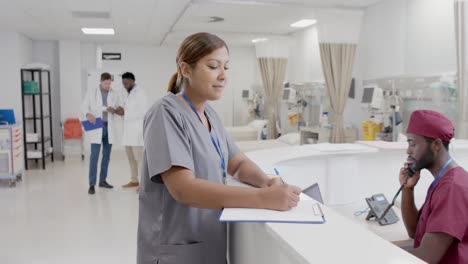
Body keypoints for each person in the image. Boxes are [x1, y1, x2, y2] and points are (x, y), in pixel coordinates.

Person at [137, 32, 301, 264]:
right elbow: (183, 188)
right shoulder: (165, 114)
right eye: (213, 66)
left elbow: (238, 163)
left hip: (208, 242)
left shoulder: (210, 115)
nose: (223, 75)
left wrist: (265, 181)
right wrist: (263, 198)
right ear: (185, 70)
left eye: (226, 66)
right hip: (175, 249)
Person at [399, 110, 468, 263]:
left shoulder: (452, 188)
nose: (408, 151)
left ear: (436, 145)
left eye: (413, 143)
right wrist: (407, 189)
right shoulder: (443, 181)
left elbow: (427, 258)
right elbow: (414, 232)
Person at [81, 72, 123, 195]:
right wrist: (88, 114)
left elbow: (118, 107)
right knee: (94, 156)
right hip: (96, 126)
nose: (108, 85)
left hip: (108, 126)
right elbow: (84, 106)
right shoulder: (92, 92)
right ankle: (91, 184)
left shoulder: (114, 93)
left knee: (106, 155)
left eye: (109, 83)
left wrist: (114, 109)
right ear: (101, 81)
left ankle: (103, 180)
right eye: (106, 83)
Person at [120, 72, 148, 188]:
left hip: (137, 132)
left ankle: (143, 184)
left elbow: (143, 111)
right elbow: (128, 110)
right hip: (128, 132)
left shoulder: (140, 93)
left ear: (132, 81)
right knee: (131, 158)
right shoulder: (128, 93)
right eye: (123, 83)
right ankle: (134, 180)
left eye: (126, 83)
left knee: (140, 159)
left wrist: (125, 113)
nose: (124, 85)